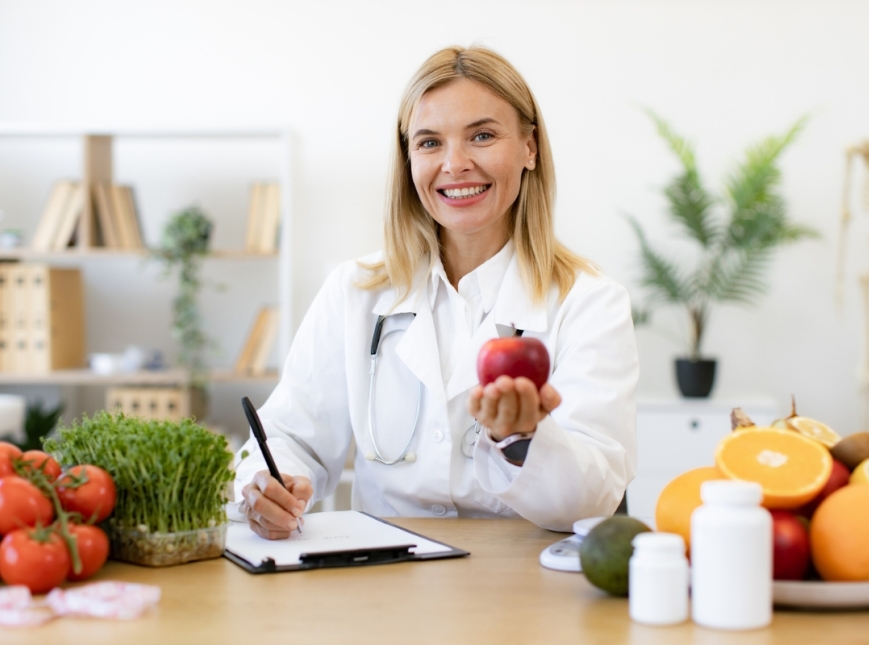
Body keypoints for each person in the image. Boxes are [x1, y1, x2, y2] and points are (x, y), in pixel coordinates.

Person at [235, 45, 638, 539]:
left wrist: (524, 438)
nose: (455, 164)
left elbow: (594, 500)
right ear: (407, 159)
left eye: (483, 136)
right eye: (429, 143)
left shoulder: (590, 301)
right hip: (386, 580)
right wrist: (269, 484)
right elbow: (293, 435)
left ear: (530, 147)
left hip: (525, 587)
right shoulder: (354, 291)